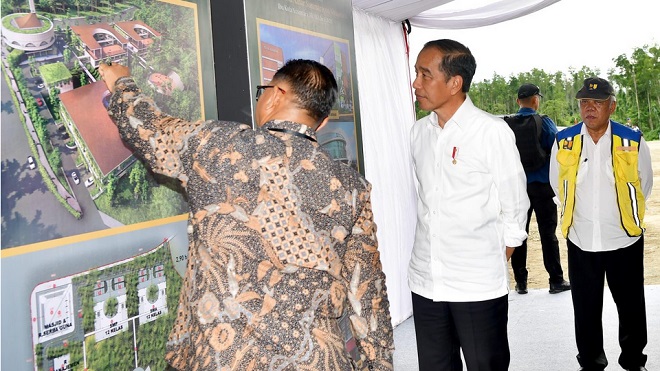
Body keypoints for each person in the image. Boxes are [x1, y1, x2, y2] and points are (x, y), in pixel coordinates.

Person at [99, 60, 395, 370]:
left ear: (276, 95)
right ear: (320, 125)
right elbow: (368, 291)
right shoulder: (352, 186)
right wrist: (379, 365)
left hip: (223, 356)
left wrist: (122, 84)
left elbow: (150, 130)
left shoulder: (220, 144)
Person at [409, 39, 529, 370]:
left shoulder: (490, 132)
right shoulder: (418, 134)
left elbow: (515, 203)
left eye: (425, 74)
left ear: (454, 82)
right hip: (426, 281)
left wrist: (497, 252)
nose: (416, 83)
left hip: (477, 285)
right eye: (416, 74)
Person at [550, 77, 652, 371]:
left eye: (597, 102)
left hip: (623, 238)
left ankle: (634, 361)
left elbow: (644, 183)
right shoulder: (565, 140)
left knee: (631, 306)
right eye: (584, 102)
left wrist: (621, 215)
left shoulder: (632, 140)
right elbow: (557, 185)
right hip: (581, 239)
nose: (589, 108)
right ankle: (591, 363)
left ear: (612, 106)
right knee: (585, 308)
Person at [509, 83, 571, 295]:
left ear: (518, 101)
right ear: (536, 100)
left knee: (519, 233)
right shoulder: (544, 122)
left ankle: (521, 282)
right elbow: (558, 149)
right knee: (547, 234)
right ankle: (556, 280)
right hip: (543, 186)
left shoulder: (507, 125)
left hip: (518, 188)